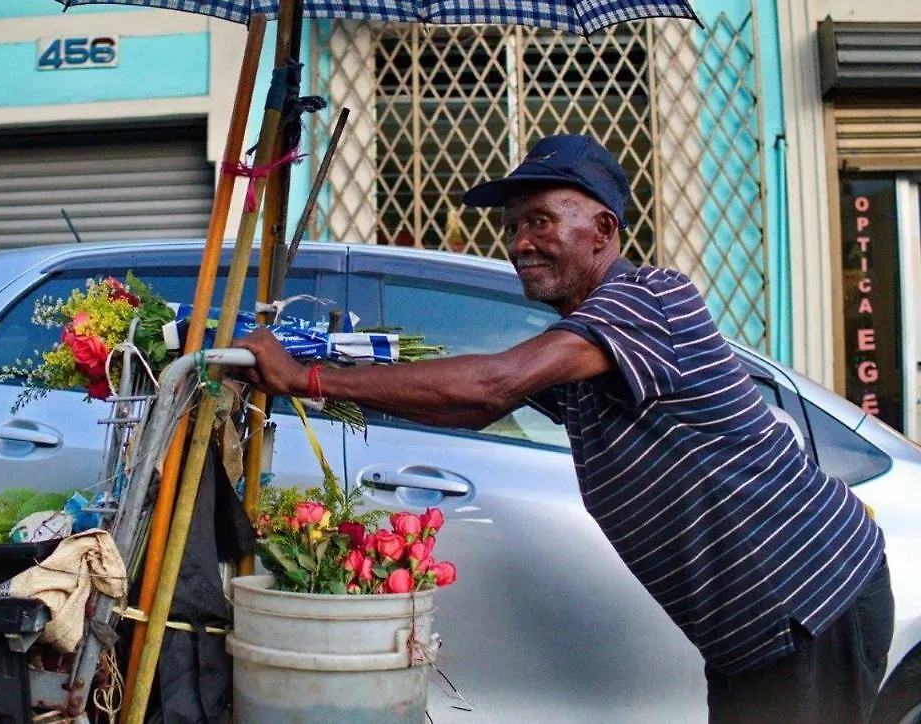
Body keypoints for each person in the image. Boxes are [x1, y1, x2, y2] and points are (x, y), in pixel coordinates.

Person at [234, 133, 894, 724]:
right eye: (514, 225)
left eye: (541, 221)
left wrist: (305, 380)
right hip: (755, 624)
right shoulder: (586, 342)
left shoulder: (645, 300)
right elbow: (475, 407)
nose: (520, 241)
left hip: (810, 598)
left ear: (603, 229)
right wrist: (317, 369)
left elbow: (495, 380)